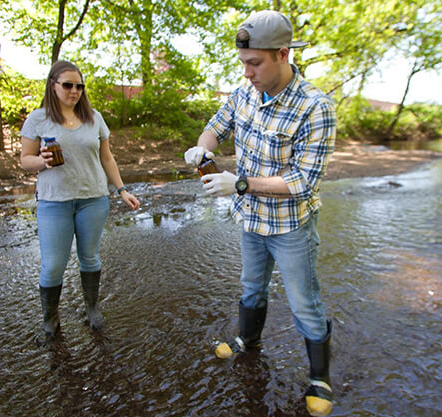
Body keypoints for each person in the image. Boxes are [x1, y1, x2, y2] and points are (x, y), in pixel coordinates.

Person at [184, 11, 337, 417]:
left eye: (255, 63)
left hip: (291, 226)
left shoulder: (316, 107)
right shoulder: (243, 93)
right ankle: (247, 341)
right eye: (243, 63)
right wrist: (204, 148)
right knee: (251, 286)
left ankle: (319, 376)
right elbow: (215, 127)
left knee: (304, 301)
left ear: (283, 54)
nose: (247, 72)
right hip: (251, 220)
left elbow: (303, 181)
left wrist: (239, 183)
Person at [20, 60, 140, 347]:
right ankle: (50, 319)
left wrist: (122, 190)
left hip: (93, 199)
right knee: (52, 266)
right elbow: (25, 160)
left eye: (79, 86)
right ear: (53, 85)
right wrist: (42, 161)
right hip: (54, 202)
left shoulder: (93, 118)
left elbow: (106, 157)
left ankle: (92, 309)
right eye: (68, 85)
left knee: (90, 257)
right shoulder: (38, 119)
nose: (75, 91)